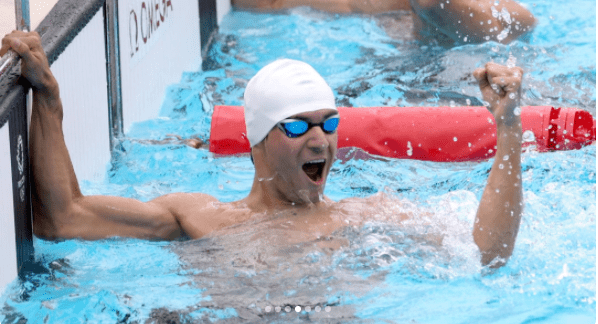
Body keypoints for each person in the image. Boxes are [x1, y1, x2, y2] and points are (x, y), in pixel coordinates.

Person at [1, 31, 523, 268]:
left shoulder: (371, 217)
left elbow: (487, 254)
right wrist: (49, 98)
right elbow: (62, 219)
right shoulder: (199, 218)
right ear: (255, 144)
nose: (320, 139)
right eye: (296, 128)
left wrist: (509, 133)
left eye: (329, 123)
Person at [233, 0, 536, 45]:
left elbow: (433, 5)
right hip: (393, 81)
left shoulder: (508, 13)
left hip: (471, 87)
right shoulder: (375, 5)